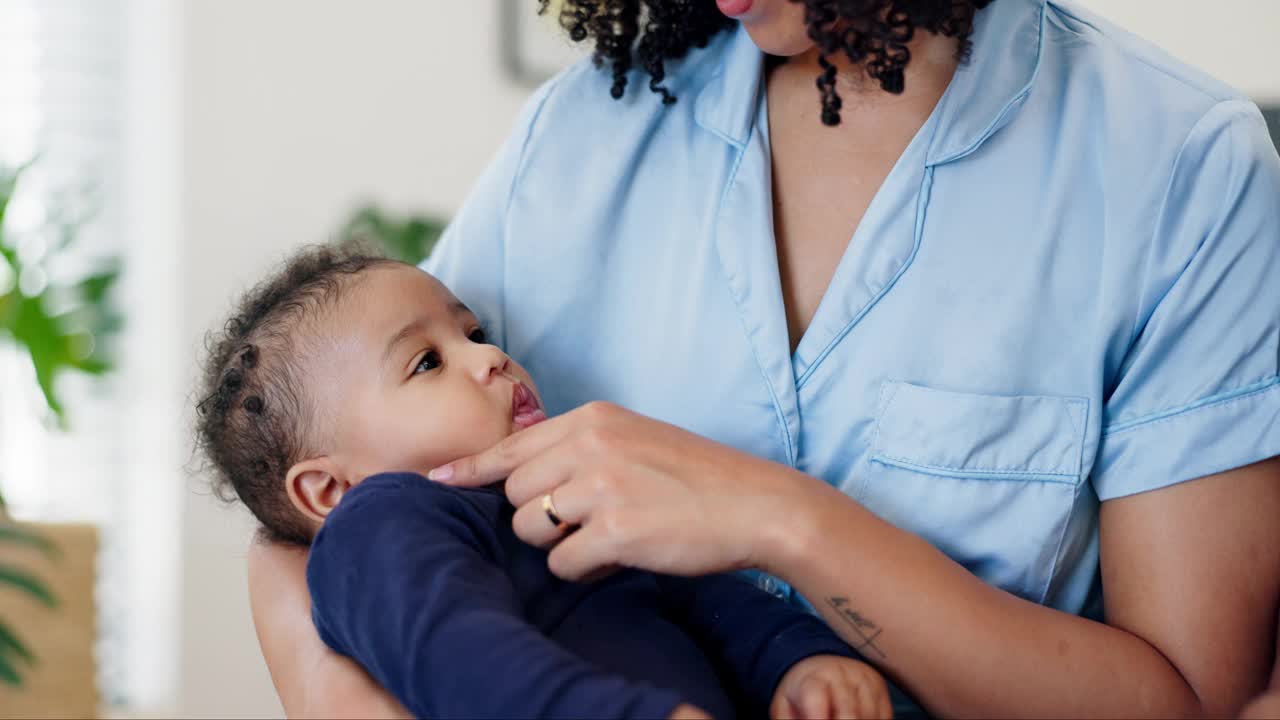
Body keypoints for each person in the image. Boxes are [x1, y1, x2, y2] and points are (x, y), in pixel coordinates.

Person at [248, 0, 1280, 716]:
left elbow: (1190, 699)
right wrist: (333, 692)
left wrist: (781, 522)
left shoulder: (1180, 167)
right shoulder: (581, 135)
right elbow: (317, 486)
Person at [197, 249, 890, 719]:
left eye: (473, 332)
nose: (491, 357)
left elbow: (705, 597)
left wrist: (798, 664)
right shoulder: (379, 525)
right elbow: (458, 654)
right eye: (427, 363)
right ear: (329, 491)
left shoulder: (564, 488)